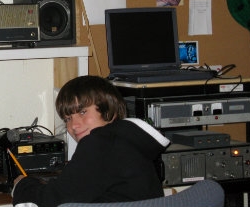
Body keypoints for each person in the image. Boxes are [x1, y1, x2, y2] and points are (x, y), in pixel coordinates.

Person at [12, 75, 170, 207]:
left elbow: (51, 201)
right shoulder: (124, 141)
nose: (73, 125)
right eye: (67, 118)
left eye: (82, 112)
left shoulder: (101, 142)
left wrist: (22, 185)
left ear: (108, 109)